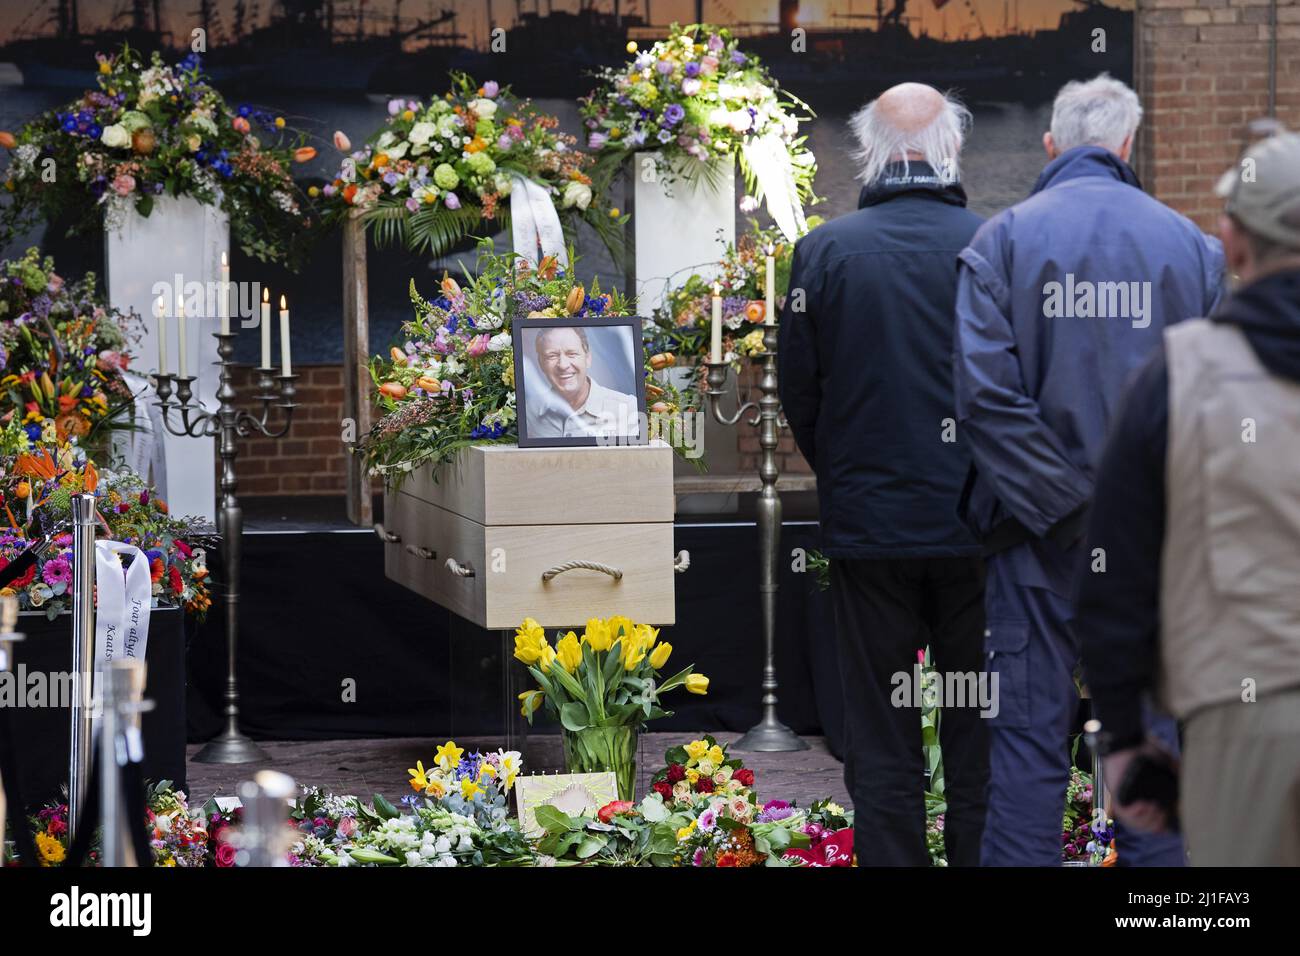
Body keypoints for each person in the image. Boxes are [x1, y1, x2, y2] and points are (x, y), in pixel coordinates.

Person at [952, 74, 1225, 866]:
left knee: (1027, 758)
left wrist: (1071, 514)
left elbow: (986, 403)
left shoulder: (999, 243)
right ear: (1128, 145)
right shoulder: (1193, 250)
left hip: (1034, 546)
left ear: (1051, 144)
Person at [1075, 132, 1300, 866]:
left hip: (1244, 718)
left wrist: (1122, 733)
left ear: (1233, 243)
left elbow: (1114, 571)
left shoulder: (1180, 376)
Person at [780, 83, 989, 866]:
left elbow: (801, 395)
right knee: (977, 722)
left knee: (879, 726)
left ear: (867, 150)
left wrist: (846, 469)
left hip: (871, 528)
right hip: (979, 530)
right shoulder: (993, 243)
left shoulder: (826, 251)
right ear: (953, 149)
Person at [527, 325, 637, 440]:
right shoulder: (529, 413)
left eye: (572, 354)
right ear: (541, 363)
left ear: (588, 358)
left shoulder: (627, 408)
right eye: (552, 356)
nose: (563, 365)